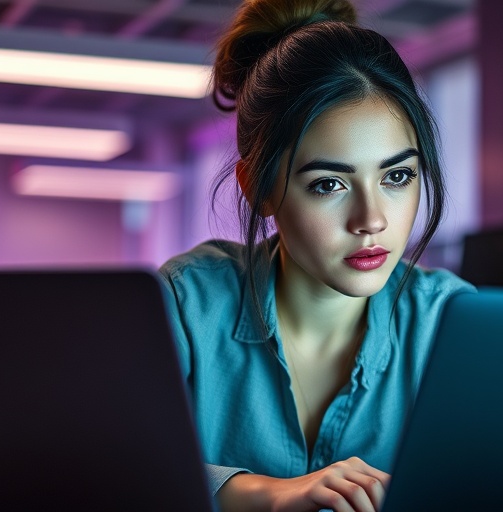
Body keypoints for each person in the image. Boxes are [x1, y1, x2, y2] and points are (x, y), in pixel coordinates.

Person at [158, 0, 475, 509]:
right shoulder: (185, 303)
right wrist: (269, 496)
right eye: (329, 184)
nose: (372, 219)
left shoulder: (451, 321)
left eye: (397, 176)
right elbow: (102, 470)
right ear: (257, 187)